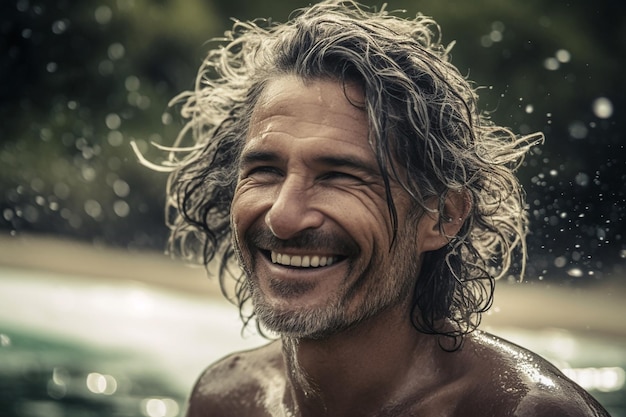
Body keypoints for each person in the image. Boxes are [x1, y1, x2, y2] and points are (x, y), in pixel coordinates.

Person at [157, 1, 611, 416]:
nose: (283, 216)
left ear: (443, 215)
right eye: (266, 171)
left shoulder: (525, 412)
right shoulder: (226, 399)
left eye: (339, 176)